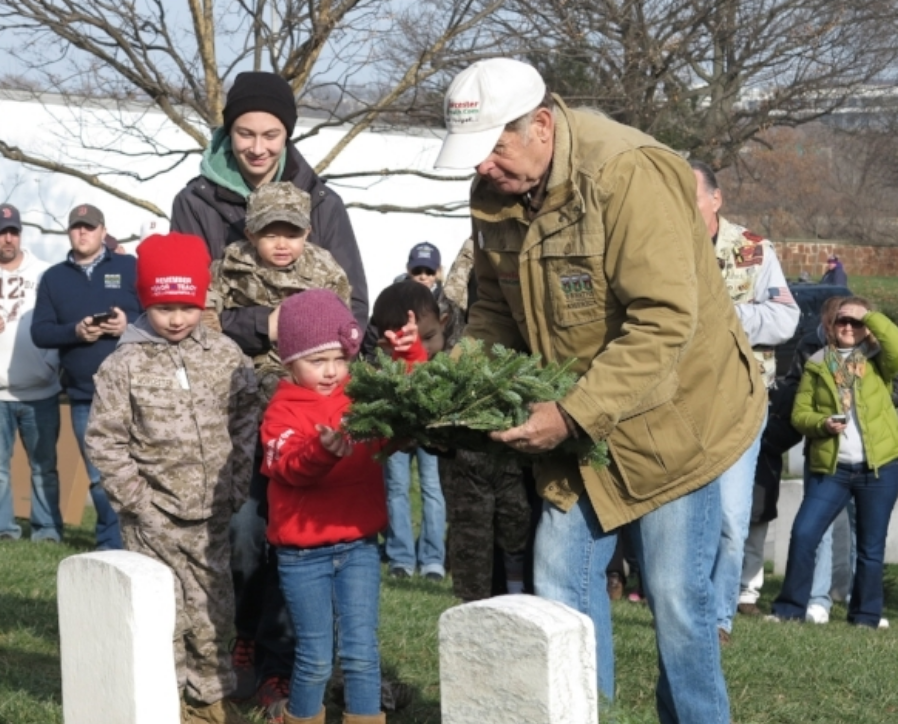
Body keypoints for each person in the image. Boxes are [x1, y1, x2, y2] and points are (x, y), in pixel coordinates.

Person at [435, 58, 766, 722]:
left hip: (679, 415)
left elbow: (665, 319)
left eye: (494, 148)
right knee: (559, 592)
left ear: (542, 126)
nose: (483, 168)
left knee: (675, 599)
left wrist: (573, 412)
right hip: (574, 421)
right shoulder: (497, 193)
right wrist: (455, 389)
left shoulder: (628, 174)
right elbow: (496, 314)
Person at [85, 232, 258, 724]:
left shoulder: (225, 355)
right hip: (154, 518)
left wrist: (236, 481)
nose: (177, 318)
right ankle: (168, 699)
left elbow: (247, 414)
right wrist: (137, 500)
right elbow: (105, 440)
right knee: (166, 612)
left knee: (213, 607)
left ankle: (211, 697)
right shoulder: (125, 364)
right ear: (146, 302)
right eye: (164, 307)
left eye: (187, 305)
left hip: (213, 514)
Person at [208, 180, 351, 710]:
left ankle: (279, 661)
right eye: (271, 232)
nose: (282, 242)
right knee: (246, 534)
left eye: (292, 230)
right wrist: (259, 326)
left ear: (308, 231)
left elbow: (346, 336)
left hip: (305, 428)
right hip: (245, 428)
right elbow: (202, 324)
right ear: (251, 232)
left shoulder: (325, 271)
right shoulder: (229, 268)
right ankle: (245, 634)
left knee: (294, 543)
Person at [260, 289, 425, 724]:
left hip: (358, 547)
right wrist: (322, 451)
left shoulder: (362, 395)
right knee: (315, 656)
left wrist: (410, 355)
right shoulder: (281, 412)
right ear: (288, 362)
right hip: (302, 556)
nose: (332, 371)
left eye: (340, 358)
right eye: (317, 361)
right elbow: (288, 466)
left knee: (361, 653)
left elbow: (409, 405)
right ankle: (298, 717)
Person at [170, 71, 368, 337]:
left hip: (309, 364)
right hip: (220, 365)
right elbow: (183, 302)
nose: (258, 148)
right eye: (245, 134)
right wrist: (262, 325)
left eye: (271, 135)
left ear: (287, 134)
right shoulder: (194, 203)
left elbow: (352, 303)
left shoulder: (323, 203)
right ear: (229, 132)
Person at [691, 160, 799, 643]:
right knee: (683, 514)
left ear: (716, 199)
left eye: (690, 193)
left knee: (734, 517)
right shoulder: (660, 246)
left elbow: (783, 320)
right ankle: (680, 606)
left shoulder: (753, 250)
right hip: (682, 401)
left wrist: (725, 317)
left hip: (740, 399)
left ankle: (718, 617)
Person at [374, 278, 532, 601]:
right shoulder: (398, 370)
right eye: (416, 341)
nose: (427, 347)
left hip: (505, 462)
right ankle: (472, 612)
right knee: (471, 547)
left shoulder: (471, 348)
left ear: (443, 322)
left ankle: (520, 598)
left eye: (430, 336)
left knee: (516, 532)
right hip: (461, 476)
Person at [770, 297, 898, 628]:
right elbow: (800, 414)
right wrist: (822, 424)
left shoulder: (879, 361)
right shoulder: (816, 363)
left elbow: (895, 343)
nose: (848, 327)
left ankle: (866, 616)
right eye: (842, 321)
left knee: (871, 546)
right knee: (804, 532)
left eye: (855, 322)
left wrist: (868, 314)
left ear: (866, 326)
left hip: (879, 468)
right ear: (831, 325)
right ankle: (789, 609)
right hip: (833, 468)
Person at [31, 203, 142, 551]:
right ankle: (111, 544)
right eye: (77, 227)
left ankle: (145, 540)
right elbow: (41, 332)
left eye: (90, 227)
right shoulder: (53, 278)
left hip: (134, 389)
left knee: (142, 467)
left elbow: (156, 311)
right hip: (84, 393)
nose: (83, 233)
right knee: (99, 475)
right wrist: (75, 332)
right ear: (69, 232)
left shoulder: (129, 266)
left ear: (103, 231)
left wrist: (128, 324)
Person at [378, 243, 448, 580]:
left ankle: (433, 558)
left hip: (433, 413)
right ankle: (401, 558)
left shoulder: (444, 308)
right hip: (394, 415)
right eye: (417, 270)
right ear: (408, 270)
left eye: (428, 271)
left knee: (433, 488)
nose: (423, 276)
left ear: (438, 273)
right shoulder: (391, 304)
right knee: (396, 487)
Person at [0, 203, 63, 542]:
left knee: (44, 469)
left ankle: (47, 530)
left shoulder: (44, 273)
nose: (7, 239)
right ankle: (4, 530)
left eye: (12, 231)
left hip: (40, 390)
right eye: (1, 232)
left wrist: (51, 363)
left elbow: (57, 320)